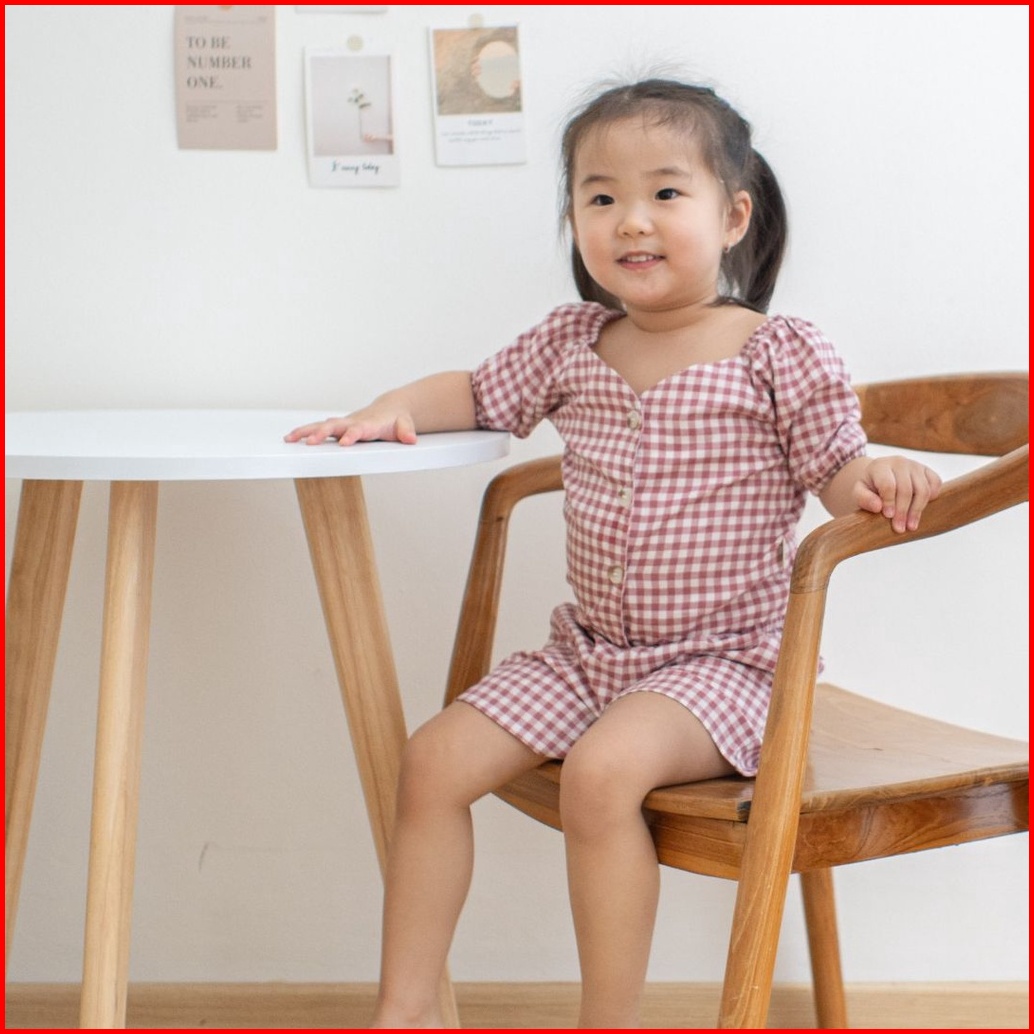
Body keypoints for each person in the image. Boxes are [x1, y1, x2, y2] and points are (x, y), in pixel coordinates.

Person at [286, 79, 942, 1029]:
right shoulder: (572, 342)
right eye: (600, 197)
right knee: (430, 762)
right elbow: (474, 392)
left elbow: (838, 471)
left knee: (600, 774)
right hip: (589, 656)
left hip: (727, 668)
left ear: (733, 216)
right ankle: (407, 1009)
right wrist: (392, 407)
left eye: (666, 192)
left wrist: (880, 476)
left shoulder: (775, 352)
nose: (631, 219)